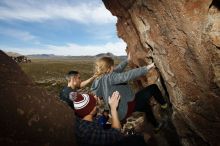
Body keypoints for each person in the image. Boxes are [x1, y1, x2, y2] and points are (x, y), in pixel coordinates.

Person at [91, 55, 167, 131]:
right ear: (108, 68)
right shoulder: (110, 77)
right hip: (127, 106)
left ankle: (156, 126)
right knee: (153, 88)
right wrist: (147, 68)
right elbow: (127, 75)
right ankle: (164, 105)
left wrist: (127, 60)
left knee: (145, 106)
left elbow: (117, 70)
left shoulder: (98, 79)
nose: (114, 68)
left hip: (118, 111)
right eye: (112, 66)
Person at [74, 91, 147, 146]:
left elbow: (107, 122)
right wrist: (113, 108)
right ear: (91, 110)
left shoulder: (86, 118)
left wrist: (108, 116)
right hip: (114, 139)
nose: (96, 106)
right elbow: (117, 133)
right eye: (95, 104)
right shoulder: (88, 132)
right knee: (140, 139)